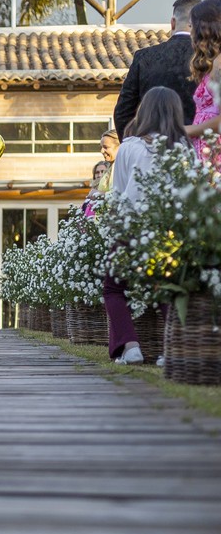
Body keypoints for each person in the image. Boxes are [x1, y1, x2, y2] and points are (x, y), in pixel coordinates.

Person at [105, 86, 195, 365]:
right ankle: (172, 351)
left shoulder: (129, 146)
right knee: (167, 288)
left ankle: (130, 347)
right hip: (169, 229)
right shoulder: (185, 149)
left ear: (143, 111)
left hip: (131, 226)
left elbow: (117, 192)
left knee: (114, 287)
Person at [113, 0, 199, 137]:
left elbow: (123, 111)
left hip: (153, 148)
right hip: (201, 148)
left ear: (173, 23)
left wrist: (133, 145)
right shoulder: (211, 58)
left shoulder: (145, 57)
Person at [183, 0, 221, 167]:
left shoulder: (220, 64)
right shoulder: (214, 63)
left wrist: (188, 130)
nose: (190, 33)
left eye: (192, 26)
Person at [97, 129, 119, 193]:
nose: (102, 151)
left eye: (105, 147)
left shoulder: (123, 168)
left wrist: (99, 195)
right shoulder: (108, 168)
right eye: (101, 147)